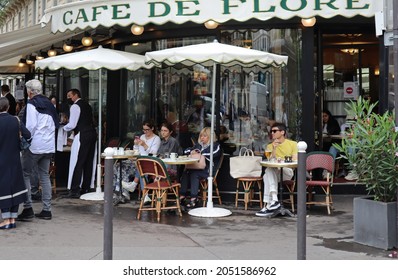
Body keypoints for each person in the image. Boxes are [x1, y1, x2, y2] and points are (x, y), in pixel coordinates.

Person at [17, 79, 58, 221]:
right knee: (45, 176)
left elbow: (31, 126)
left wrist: (26, 140)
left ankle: (28, 208)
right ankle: (47, 210)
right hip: (48, 145)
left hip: (35, 145)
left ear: (29, 92)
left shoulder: (31, 104)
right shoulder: (50, 104)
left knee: (25, 174)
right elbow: (55, 125)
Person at [0, 97, 30, 229]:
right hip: (15, 158)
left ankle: (6, 220)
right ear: (8, 107)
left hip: (1, 159)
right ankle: (12, 218)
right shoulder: (16, 120)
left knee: (4, 187)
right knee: (15, 186)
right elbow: (28, 135)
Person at [256, 122, 297, 217]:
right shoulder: (270, 146)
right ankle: (273, 201)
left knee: (267, 173)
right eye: (271, 131)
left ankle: (268, 205)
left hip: (287, 171)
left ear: (282, 132)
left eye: (274, 131)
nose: (272, 133)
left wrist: (282, 160)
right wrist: (274, 148)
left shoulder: (293, 144)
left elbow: (295, 159)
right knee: (267, 173)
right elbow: (270, 160)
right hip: (275, 172)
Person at [63, 88, 97, 198]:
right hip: (92, 133)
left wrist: (64, 127)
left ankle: (75, 189)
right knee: (89, 161)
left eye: (70, 96)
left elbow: (72, 124)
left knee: (78, 161)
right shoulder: (87, 105)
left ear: (76, 95)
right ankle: (86, 187)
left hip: (82, 134)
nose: (68, 98)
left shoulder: (75, 106)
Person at [179, 127, 222, 209]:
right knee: (186, 172)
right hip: (197, 168)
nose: (202, 138)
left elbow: (214, 153)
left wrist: (200, 153)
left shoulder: (216, 145)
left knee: (194, 174)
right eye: (201, 136)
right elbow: (186, 151)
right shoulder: (198, 145)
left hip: (208, 170)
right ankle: (182, 197)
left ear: (210, 137)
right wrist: (192, 152)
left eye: (205, 136)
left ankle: (194, 199)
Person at [121, 120, 161, 202]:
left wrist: (144, 145)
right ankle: (123, 192)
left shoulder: (156, 139)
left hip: (149, 162)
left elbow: (154, 153)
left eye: (147, 130)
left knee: (142, 167)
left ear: (152, 128)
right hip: (138, 160)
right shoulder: (142, 136)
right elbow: (137, 151)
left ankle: (136, 187)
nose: (145, 132)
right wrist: (135, 144)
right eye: (144, 130)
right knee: (120, 166)